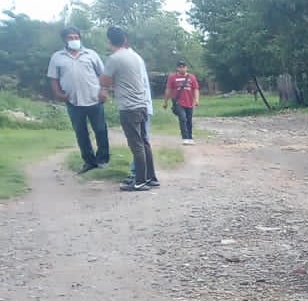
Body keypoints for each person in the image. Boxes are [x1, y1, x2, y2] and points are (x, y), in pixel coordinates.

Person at [100, 26, 156, 192]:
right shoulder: (135, 56)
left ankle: (139, 181)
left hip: (129, 107)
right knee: (144, 142)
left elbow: (105, 82)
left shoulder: (115, 58)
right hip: (142, 104)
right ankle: (150, 177)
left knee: (136, 144)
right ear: (125, 39)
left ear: (109, 41)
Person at [47, 26, 110, 173]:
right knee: (81, 133)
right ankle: (89, 161)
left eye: (76, 37)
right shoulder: (57, 57)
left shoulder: (91, 54)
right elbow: (53, 79)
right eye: (70, 38)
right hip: (73, 101)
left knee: (100, 130)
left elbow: (103, 75)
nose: (74, 40)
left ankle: (103, 159)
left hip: (94, 98)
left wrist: (104, 90)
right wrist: (58, 94)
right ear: (64, 40)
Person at [164, 60, 199, 144]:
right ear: (177, 68)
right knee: (183, 118)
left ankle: (190, 137)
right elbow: (169, 90)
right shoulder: (172, 77)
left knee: (189, 120)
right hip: (178, 102)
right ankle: (185, 137)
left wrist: (197, 99)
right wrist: (165, 101)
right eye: (180, 67)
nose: (182, 68)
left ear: (186, 68)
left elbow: (196, 89)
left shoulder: (191, 77)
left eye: (183, 67)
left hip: (189, 102)